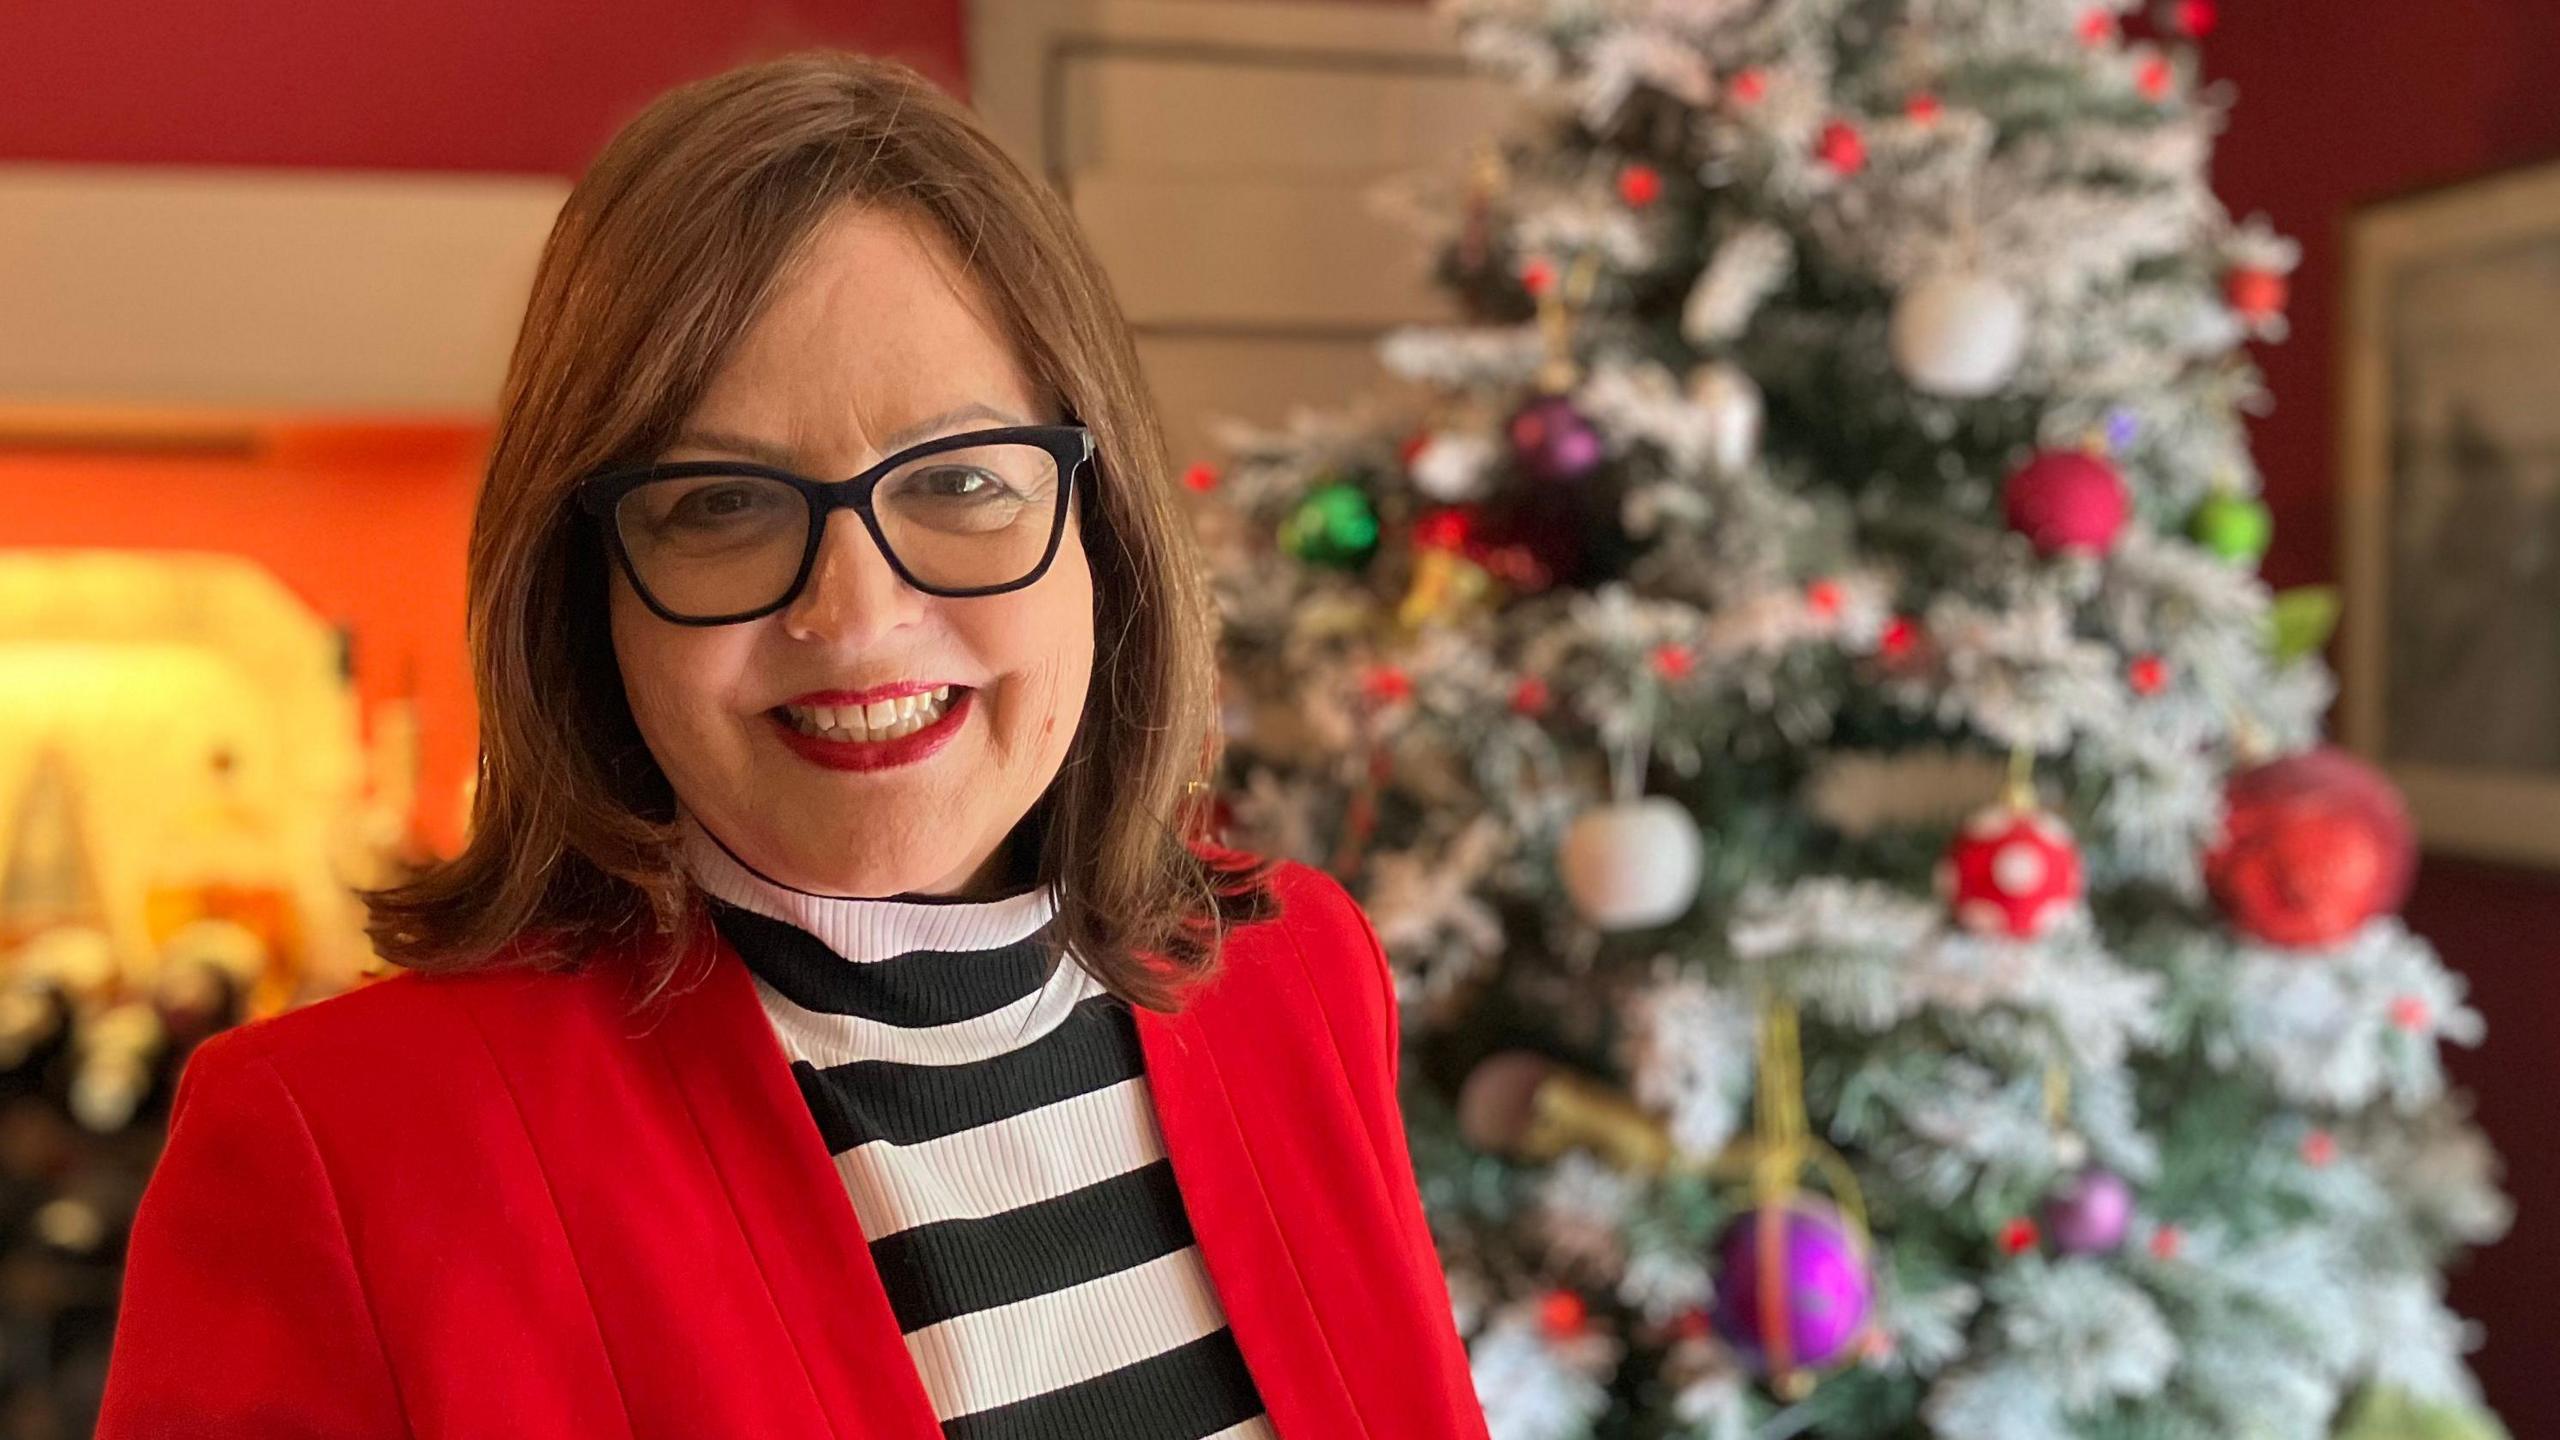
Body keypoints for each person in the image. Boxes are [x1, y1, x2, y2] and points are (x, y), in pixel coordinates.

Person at [96, 50, 1490, 1440]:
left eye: (957, 480)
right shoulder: (341, 1151)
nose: (856, 615)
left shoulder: (1294, 975)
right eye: (720, 506)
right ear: (590, 589)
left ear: (1099, 524)